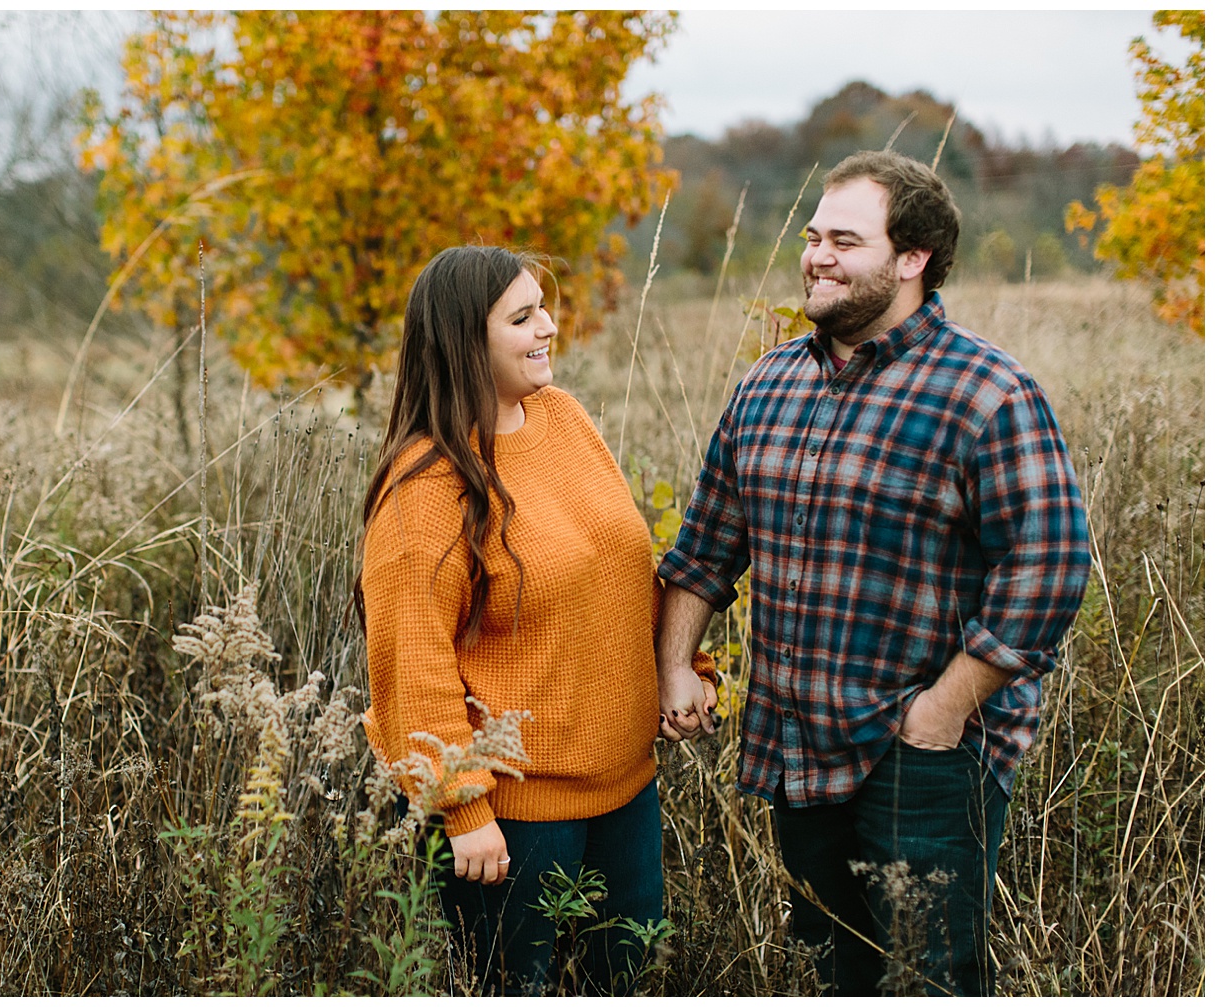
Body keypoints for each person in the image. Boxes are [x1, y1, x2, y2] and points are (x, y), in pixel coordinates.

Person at [655, 151, 1090, 995]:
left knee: (930, 978)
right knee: (831, 969)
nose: (815, 254)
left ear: (912, 258)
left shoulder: (987, 392)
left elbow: (1050, 564)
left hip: (922, 755)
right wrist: (676, 660)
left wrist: (943, 710)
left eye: (843, 240)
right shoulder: (768, 385)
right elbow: (705, 546)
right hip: (794, 747)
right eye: (814, 235)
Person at [356, 245, 709, 995]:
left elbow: (613, 565)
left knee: (630, 980)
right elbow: (409, 663)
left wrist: (679, 668)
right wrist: (463, 807)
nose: (548, 327)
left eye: (543, 307)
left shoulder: (564, 416)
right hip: (515, 823)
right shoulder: (426, 488)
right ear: (463, 342)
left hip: (626, 791)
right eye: (522, 317)